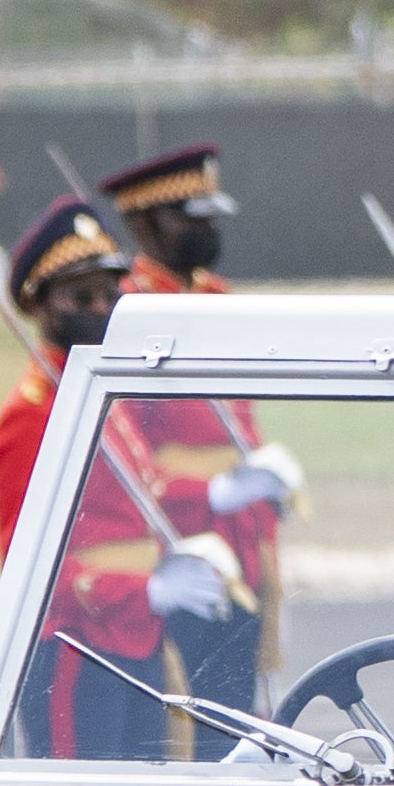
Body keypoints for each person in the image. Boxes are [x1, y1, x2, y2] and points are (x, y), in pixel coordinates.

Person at [0, 198, 236, 758]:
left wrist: (189, 535)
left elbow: (138, 504)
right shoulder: (30, 417)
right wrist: (139, 587)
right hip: (79, 646)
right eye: (80, 297)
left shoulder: (102, 394)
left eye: (110, 294)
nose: (100, 308)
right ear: (38, 304)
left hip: (139, 632)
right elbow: (29, 566)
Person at [98, 143, 300, 718]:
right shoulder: (126, 310)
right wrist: (206, 491)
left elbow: (239, 422)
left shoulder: (215, 298)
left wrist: (262, 487)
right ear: (142, 221)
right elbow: (123, 451)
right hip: (176, 542)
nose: (205, 226)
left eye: (209, 212)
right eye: (188, 214)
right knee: (189, 724)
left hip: (240, 540)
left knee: (239, 721)